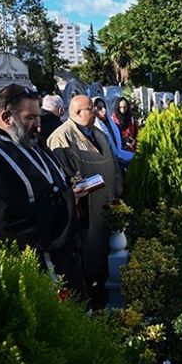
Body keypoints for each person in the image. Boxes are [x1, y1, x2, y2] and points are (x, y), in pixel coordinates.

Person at [0, 84, 86, 298]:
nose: (38, 127)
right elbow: (6, 221)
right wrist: (65, 202)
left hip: (64, 255)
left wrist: (71, 194)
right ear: (7, 117)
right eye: (30, 118)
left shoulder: (29, 141)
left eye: (38, 117)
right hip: (35, 267)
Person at [48, 95, 122, 309]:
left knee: (107, 246)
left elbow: (113, 161)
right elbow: (66, 174)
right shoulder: (62, 137)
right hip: (86, 208)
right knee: (89, 252)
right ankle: (92, 294)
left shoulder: (98, 132)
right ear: (78, 112)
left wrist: (117, 179)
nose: (98, 112)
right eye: (92, 109)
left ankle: (105, 283)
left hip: (107, 202)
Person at [92, 97, 135, 166]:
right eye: (99, 108)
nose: (104, 110)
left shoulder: (113, 125)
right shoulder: (93, 130)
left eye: (104, 107)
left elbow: (120, 143)